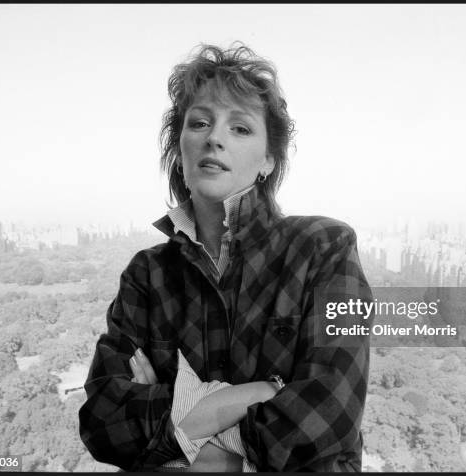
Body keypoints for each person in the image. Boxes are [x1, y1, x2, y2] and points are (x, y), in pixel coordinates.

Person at [79, 42, 373, 472]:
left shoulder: (323, 248)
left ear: (268, 160)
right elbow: (103, 424)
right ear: (179, 151)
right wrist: (254, 394)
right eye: (199, 123)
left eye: (240, 129)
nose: (214, 137)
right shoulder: (148, 274)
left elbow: (330, 412)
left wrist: (185, 439)